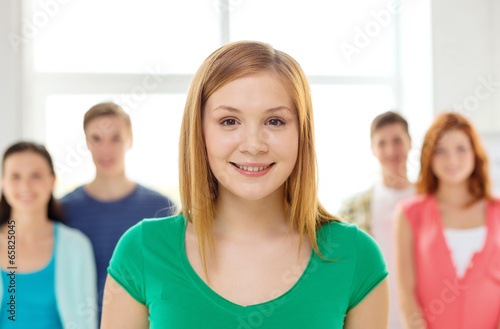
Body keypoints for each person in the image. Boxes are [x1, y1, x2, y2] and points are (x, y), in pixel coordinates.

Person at [101, 41, 389, 329]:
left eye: (275, 121)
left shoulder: (355, 257)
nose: (253, 145)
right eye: (229, 121)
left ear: (302, 132)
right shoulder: (141, 252)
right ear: (199, 132)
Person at [60, 102, 176, 319]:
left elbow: (171, 279)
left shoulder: (161, 208)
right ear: (86, 142)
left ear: (130, 139)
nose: (106, 149)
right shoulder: (65, 210)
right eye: (96, 139)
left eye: (115, 138)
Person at [395, 112, 500, 329]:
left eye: (461, 149)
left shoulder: (497, 210)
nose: (452, 159)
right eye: (441, 150)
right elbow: (406, 292)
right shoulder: (408, 214)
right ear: (429, 156)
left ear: (474, 153)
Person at [0, 142, 96, 329]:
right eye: (15, 176)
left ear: (52, 180)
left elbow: (85, 322)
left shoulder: (76, 246)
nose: (25, 186)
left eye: (36, 175)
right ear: (3, 183)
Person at [338, 111, 415, 328]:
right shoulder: (352, 209)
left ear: (409, 143)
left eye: (397, 141)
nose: (391, 150)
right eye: (382, 143)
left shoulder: (430, 203)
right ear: (372, 149)